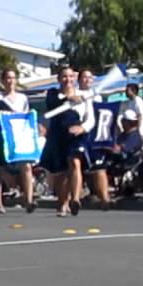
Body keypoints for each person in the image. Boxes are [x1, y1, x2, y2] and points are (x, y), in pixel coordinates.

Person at [42, 67, 93, 217]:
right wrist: (69, 99)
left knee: (75, 162)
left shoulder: (84, 96)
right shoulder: (52, 94)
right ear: (59, 79)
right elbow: (52, 104)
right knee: (61, 172)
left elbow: (90, 119)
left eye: (71, 76)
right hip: (58, 135)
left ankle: (75, 199)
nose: (68, 80)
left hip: (76, 135)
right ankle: (62, 202)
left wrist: (82, 128)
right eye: (64, 77)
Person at [0, 67, 35, 213]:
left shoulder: (23, 98)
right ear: (2, 81)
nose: (10, 81)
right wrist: (2, 123)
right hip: (2, 138)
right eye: (7, 78)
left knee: (26, 166)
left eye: (13, 78)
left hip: (19, 137)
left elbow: (27, 117)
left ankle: (29, 200)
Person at [78, 69, 112, 210]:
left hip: (95, 136)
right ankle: (74, 198)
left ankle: (105, 199)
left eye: (90, 77)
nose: (87, 80)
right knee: (76, 166)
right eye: (84, 77)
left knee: (99, 166)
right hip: (79, 135)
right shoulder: (75, 94)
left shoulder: (97, 97)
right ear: (79, 79)